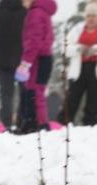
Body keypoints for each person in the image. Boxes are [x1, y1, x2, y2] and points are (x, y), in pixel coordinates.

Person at [14, 0, 57, 134]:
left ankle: (32, 124)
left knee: (32, 90)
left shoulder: (35, 13)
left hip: (37, 58)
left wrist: (25, 62)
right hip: (45, 56)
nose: (21, 2)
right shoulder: (43, 12)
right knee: (38, 91)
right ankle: (41, 123)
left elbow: (33, 41)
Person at [0, 0, 27, 131]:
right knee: (24, 93)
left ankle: (6, 125)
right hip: (23, 60)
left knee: (5, 95)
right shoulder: (26, 13)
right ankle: (23, 124)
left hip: (2, 60)